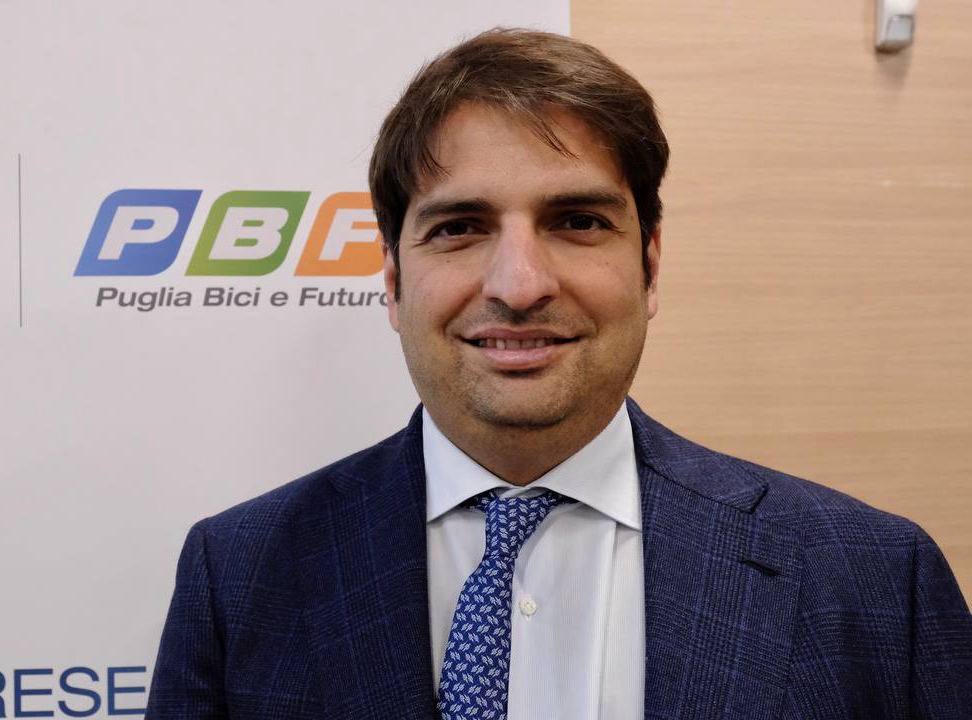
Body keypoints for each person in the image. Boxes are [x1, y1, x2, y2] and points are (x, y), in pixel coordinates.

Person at [146, 28, 972, 719]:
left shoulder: (875, 580)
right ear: (394, 283)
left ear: (650, 267)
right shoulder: (240, 575)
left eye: (576, 221)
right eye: (459, 227)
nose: (519, 284)